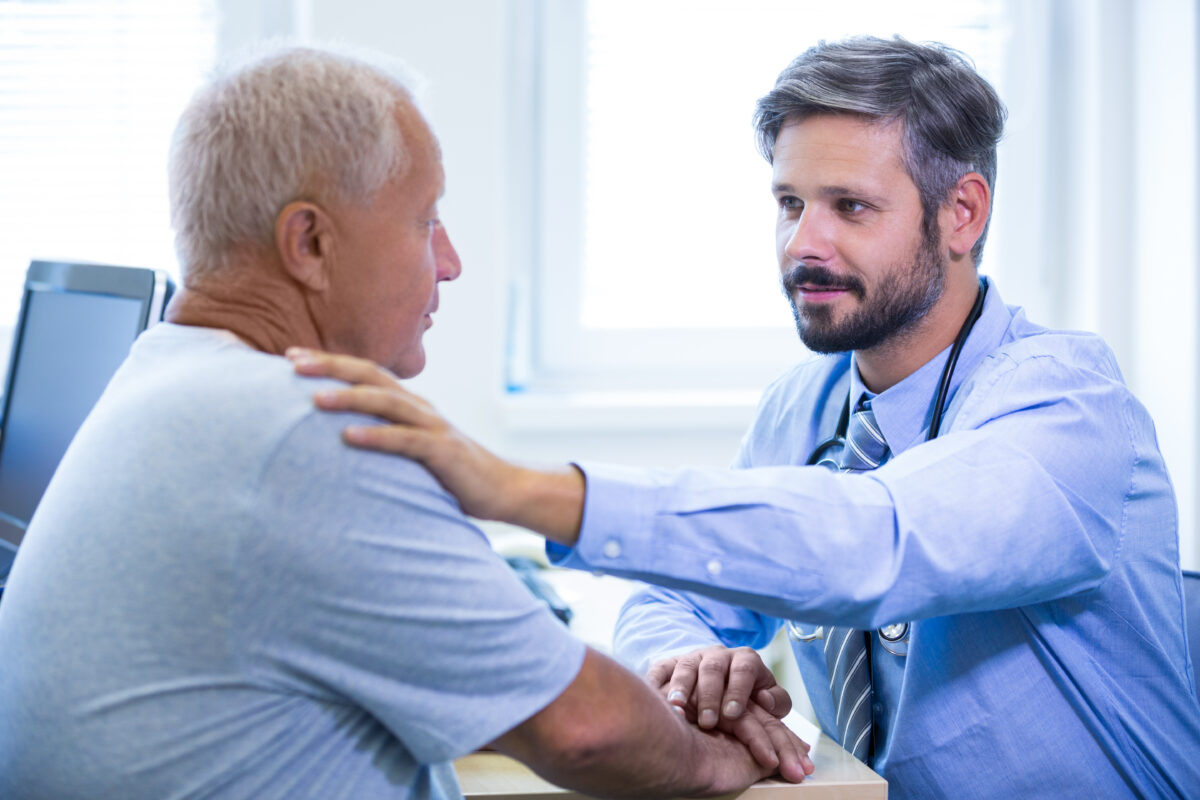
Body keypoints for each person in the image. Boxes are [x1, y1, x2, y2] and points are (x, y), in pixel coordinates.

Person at [289, 36, 1200, 799]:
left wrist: (530, 492)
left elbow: (877, 539)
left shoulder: (1067, 409)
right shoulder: (807, 404)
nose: (804, 243)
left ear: (961, 213)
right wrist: (687, 656)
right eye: (790, 203)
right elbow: (674, 595)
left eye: (850, 207)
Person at [0, 45, 814, 799]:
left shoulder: (167, 373)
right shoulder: (305, 430)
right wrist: (725, 758)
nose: (451, 262)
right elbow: (586, 729)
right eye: (426, 220)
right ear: (309, 243)